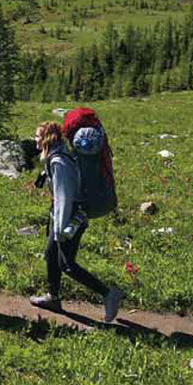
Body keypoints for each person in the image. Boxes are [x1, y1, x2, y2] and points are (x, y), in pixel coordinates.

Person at [29, 121, 124, 323]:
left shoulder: (58, 162)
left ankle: (109, 294)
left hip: (70, 218)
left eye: (37, 136)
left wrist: (60, 228)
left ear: (46, 138)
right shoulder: (58, 156)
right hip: (63, 215)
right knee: (50, 255)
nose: (34, 139)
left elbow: (65, 196)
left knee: (67, 264)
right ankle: (53, 298)